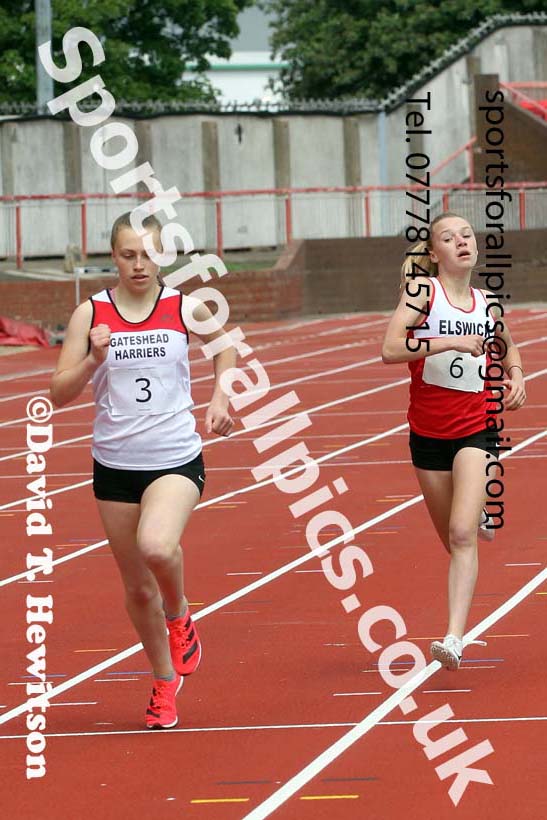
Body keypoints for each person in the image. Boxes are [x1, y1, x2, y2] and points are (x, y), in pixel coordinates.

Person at [50, 212, 235, 727]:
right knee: (135, 589)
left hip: (175, 457)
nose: (139, 264)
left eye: (148, 254)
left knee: (157, 546)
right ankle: (163, 681)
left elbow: (226, 348)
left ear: (163, 256)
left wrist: (220, 394)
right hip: (114, 466)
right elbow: (58, 391)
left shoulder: (183, 306)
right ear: (113, 256)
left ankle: (179, 615)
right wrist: (91, 361)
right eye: (129, 254)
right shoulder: (91, 313)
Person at [382, 212, 526, 670]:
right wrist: (442, 343)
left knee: (464, 533)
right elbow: (389, 349)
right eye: (449, 237)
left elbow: (508, 346)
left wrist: (516, 375)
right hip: (427, 436)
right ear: (434, 253)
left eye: (467, 234)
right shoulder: (423, 294)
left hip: (477, 429)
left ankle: (454, 638)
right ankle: (474, 508)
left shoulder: (487, 303)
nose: (462, 241)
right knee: (453, 538)